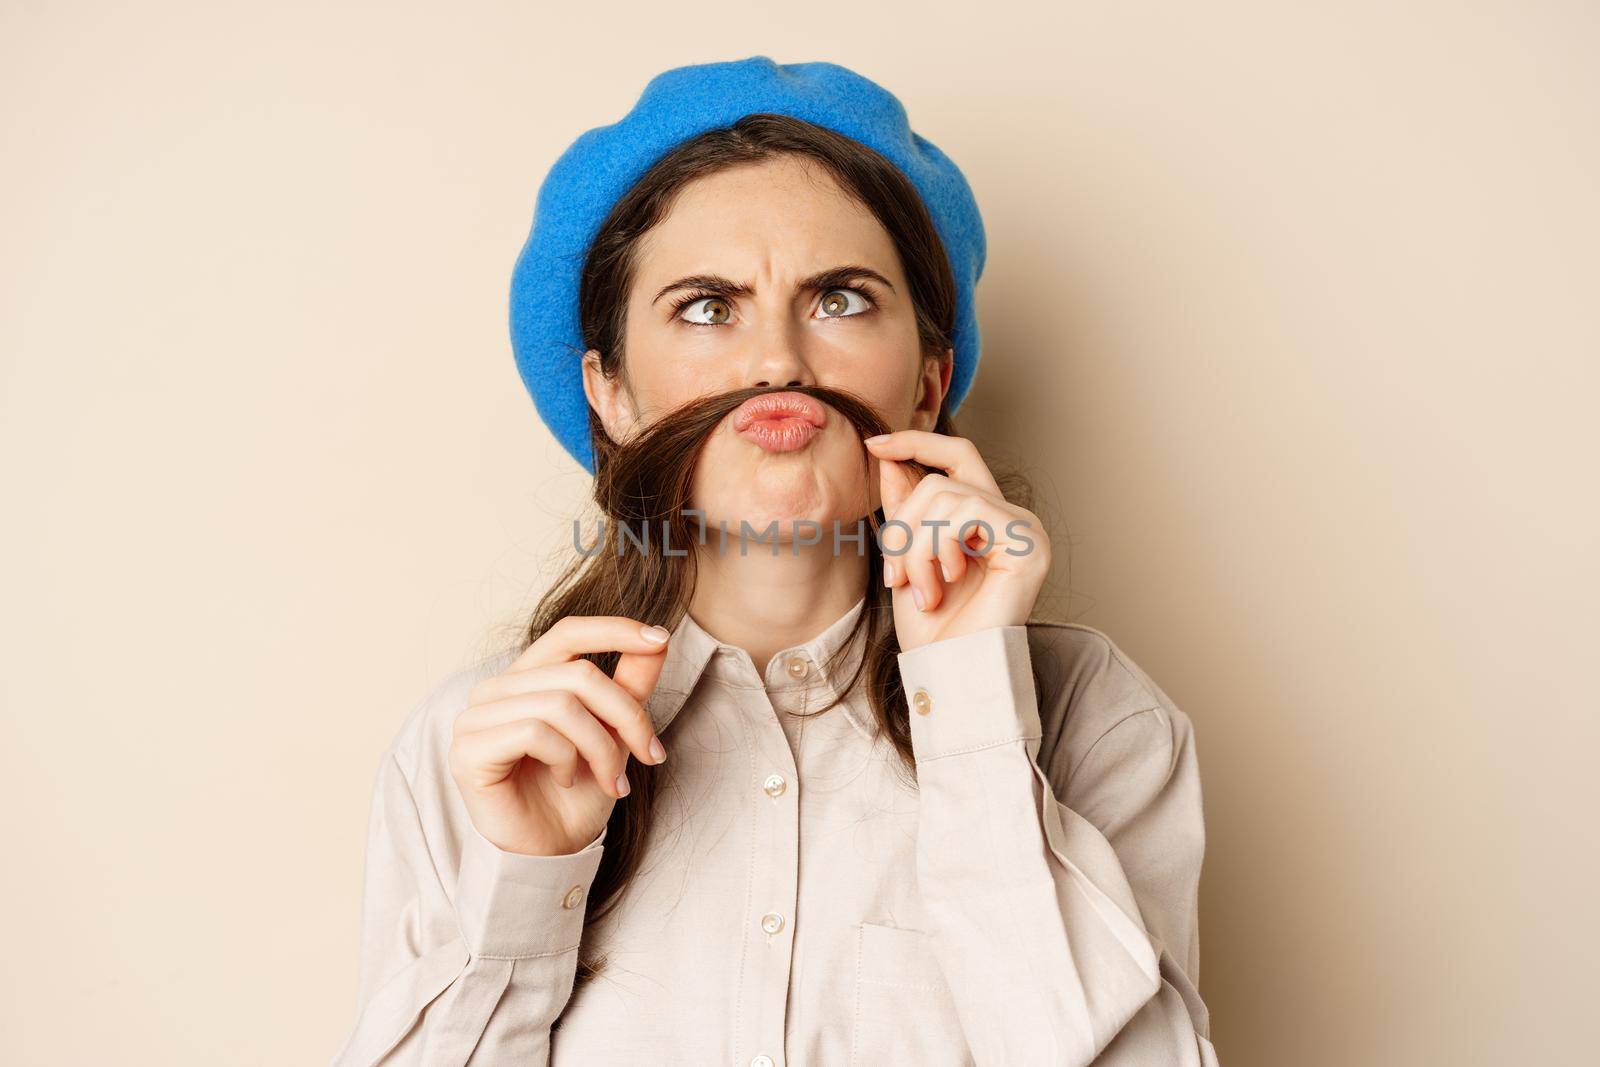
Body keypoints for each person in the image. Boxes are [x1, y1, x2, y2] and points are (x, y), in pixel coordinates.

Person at [330, 56, 1219, 1066]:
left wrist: (971, 710)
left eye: (839, 298)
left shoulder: (1097, 717)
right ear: (612, 393)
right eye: (706, 306)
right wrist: (525, 879)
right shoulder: (482, 748)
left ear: (928, 383)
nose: (777, 362)